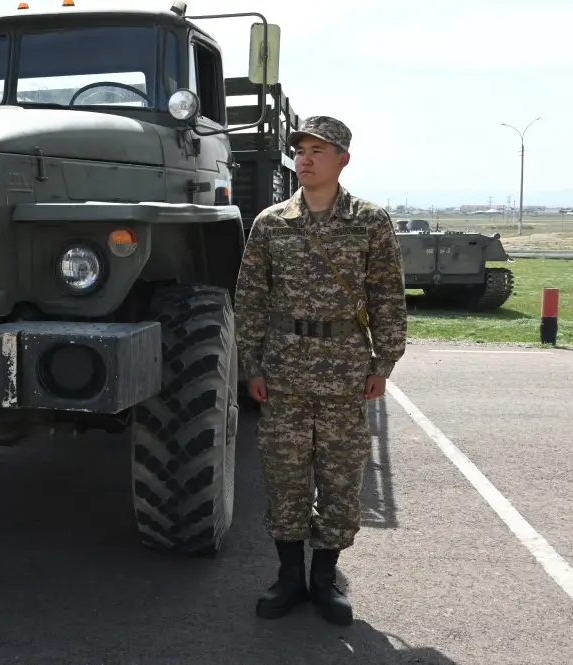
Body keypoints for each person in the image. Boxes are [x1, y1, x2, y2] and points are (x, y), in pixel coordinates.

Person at [234, 115, 408, 626]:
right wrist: (252, 365)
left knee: (339, 479)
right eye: (301, 150)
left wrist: (384, 361)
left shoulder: (369, 221)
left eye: (317, 151)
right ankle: (288, 576)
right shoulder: (271, 223)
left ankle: (324, 579)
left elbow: (387, 297)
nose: (304, 159)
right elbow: (250, 299)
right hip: (284, 370)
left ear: (342, 160)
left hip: (344, 371)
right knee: (285, 476)